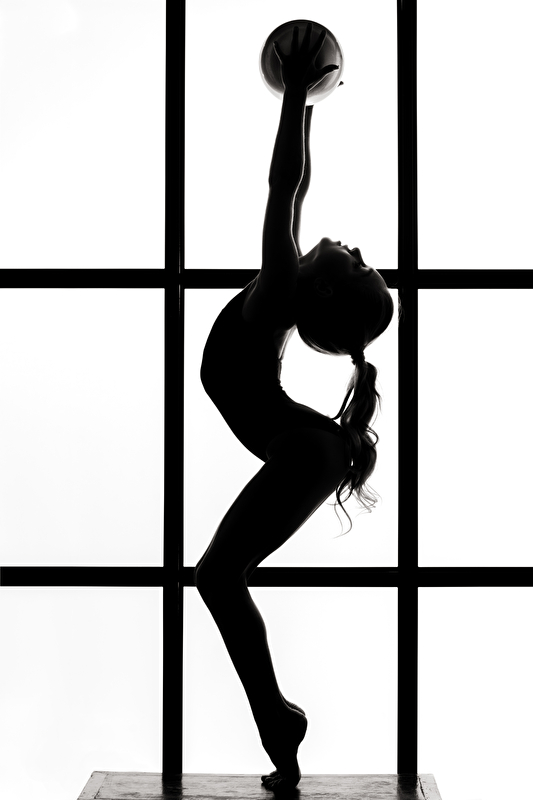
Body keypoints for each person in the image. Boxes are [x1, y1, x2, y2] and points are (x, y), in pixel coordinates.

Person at [195, 23, 394, 793]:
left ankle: (276, 716)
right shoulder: (279, 297)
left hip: (308, 448)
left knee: (217, 577)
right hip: (309, 448)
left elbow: (283, 189)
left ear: (327, 286)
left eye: (357, 260)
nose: (350, 245)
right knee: (218, 577)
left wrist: (296, 100)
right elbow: (298, 193)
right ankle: (276, 721)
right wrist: (303, 105)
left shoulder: (279, 289)